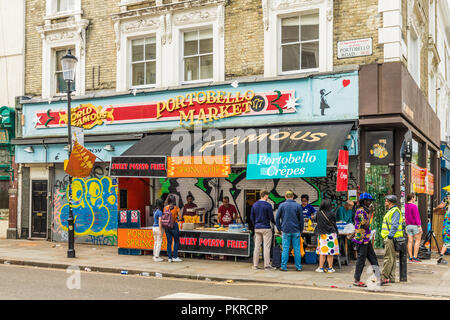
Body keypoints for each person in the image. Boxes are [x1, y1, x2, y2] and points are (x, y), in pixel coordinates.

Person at [352, 193, 379, 287]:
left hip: (366, 238)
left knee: (373, 257)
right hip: (361, 239)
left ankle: (378, 277)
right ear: (364, 201)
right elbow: (365, 225)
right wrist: (371, 213)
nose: (370, 203)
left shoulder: (365, 211)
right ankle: (356, 280)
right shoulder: (360, 211)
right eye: (369, 201)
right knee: (361, 260)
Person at [275, 191, 304, 272]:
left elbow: (277, 218)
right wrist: (301, 229)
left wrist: (279, 228)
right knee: (297, 249)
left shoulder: (282, 205)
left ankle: (283, 266)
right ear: (293, 196)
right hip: (296, 230)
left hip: (285, 230)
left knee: (285, 249)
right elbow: (301, 220)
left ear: (285, 196)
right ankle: (298, 267)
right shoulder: (298, 206)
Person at [380, 195, 404, 285]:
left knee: (388, 258)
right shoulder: (392, 211)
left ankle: (383, 277)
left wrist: (390, 236)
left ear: (390, 202)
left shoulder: (395, 211)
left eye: (386, 201)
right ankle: (391, 277)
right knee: (392, 258)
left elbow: (394, 225)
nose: (385, 202)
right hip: (391, 237)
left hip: (390, 238)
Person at [250, 190, 276, 270]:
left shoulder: (254, 204)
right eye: (268, 196)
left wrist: (255, 225)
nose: (268, 197)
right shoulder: (268, 205)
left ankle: (255, 265)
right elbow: (271, 217)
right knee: (266, 247)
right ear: (265, 195)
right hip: (266, 228)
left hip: (257, 228)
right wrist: (274, 224)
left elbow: (251, 217)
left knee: (257, 247)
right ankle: (267, 265)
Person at [313, 199, 339, 273]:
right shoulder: (332, 213)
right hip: (331, 235)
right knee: (330, 253)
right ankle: (330, 268)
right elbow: (334, 223)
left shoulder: (318, 213)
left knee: (322, 252)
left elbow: (316, 221)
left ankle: (321, 268)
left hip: (322, 235)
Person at [164, 195, 183, 263]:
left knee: (169, 242)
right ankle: (175, 257)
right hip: (174, 226)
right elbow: (180, 218)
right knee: (176, 241)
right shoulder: (176, 208)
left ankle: (169, 258)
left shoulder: (165, 208)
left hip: (167, 226)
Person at [405, 193, 422, 262]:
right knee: (417, 241)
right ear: (412, 198)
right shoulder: (414, 206)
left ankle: (410, 257)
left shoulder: (405, 206)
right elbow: (416, 217)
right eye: (414, 197)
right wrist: (419, 226)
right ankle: (415, 257)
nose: (415, 199)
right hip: (415, 225)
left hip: (408, 226)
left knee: (410, 241)